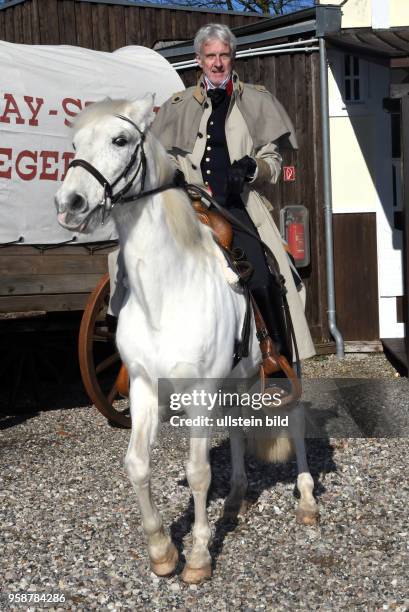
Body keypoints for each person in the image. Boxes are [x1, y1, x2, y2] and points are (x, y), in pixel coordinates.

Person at [151, 23, 315, 361]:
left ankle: (276, 355)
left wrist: (252, 168)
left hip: (235, 206)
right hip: (187, 204)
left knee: (261, 272)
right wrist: (175, 175)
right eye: (210, 56)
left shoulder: (256, 100)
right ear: (199, 60)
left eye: (224, 55)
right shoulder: (177, 104)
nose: (217, 62)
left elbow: (272, 158)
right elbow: (161, 155)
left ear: (233, 57)